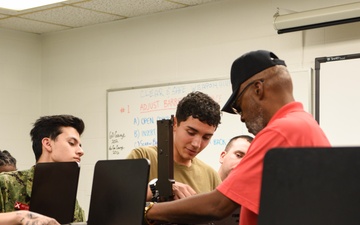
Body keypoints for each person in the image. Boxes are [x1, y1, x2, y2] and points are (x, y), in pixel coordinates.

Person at [143, 50, 331, 225]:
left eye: (239, 106)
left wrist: (148, 211)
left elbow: (218, 206)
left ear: (257, 89)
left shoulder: (280, 131)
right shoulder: (307, 126)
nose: (242, 117)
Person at [127, 91, 222, 200]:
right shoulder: (143, 157)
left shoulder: (211, 176)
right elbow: (119, 202)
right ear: (175, 124)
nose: (196, 144)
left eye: (206, 137)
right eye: (191, 132)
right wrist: (158, 188)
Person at [0, 115, 86, 222]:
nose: (81, 151)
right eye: (72, 143)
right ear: (48, 144)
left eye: (80, 145)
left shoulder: (68, 197)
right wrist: (20, 217)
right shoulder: (5, 183)